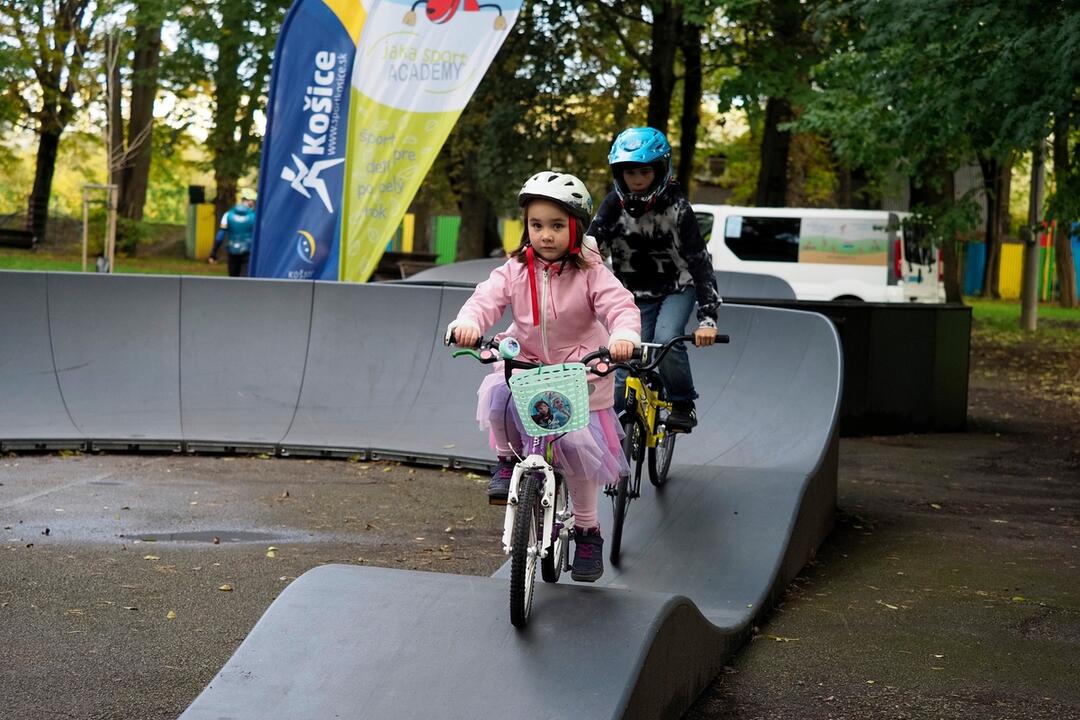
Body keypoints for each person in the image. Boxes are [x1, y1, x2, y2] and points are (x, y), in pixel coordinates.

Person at [447, 170, 641, 582]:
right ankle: (504, 463)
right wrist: (467, 321)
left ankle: (588, 531)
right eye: (537, 225)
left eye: (557, 226)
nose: (545, 235)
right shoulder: (516, 268)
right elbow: (486, 299)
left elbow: (619, 306)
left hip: (580, 371)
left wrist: (623, 335)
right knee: (498, 393)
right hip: (528, 362)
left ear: (576, 228)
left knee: (577, 449)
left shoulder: (591, 270)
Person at [588, 127, 722, 430]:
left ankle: (683, 403)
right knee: (626, 356)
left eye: (644, 172)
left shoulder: (677, 207)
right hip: (632, 292)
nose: (636, 180)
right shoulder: (612, 205)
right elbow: (589, 253)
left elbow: (700, 263)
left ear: (660, 170)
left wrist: (708, 319)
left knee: (665, 340)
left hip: (677, 286)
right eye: (629, 172)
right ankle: (615, 431)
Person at [209, 189, 256, 277]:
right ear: (249, 201)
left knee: (233, 280)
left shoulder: (228, 215)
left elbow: (220, 236)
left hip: (232, 251)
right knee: (245, 281)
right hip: (248, 253)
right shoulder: (255, 217)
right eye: (253, 201)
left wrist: (213, 253)